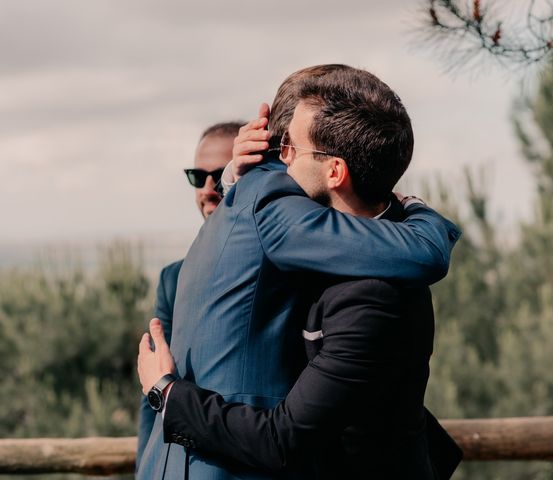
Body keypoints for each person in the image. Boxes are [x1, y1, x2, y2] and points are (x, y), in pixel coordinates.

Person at [136, 64, 460, 480]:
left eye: (288, 146)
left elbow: (282, 440)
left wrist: (167, 392)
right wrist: (236, 174)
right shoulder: (310, 228)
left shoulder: (372, 290)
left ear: (335, 171)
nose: (280, 155)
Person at [136, 122, 243, 467]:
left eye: (221, 175)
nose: (208, 189)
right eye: (198, 176)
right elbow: (150, 392)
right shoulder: (173, 277)